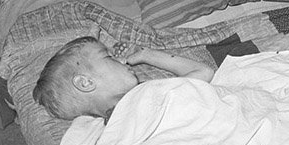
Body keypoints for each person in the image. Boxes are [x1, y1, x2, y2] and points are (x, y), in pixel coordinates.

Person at [32, 36, 213, 121]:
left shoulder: (121, 117)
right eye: (108, 57)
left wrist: (145, 54)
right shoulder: (144, 99)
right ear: (85, 83)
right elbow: (203, 72)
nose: (120, 59)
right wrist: (147, 55)